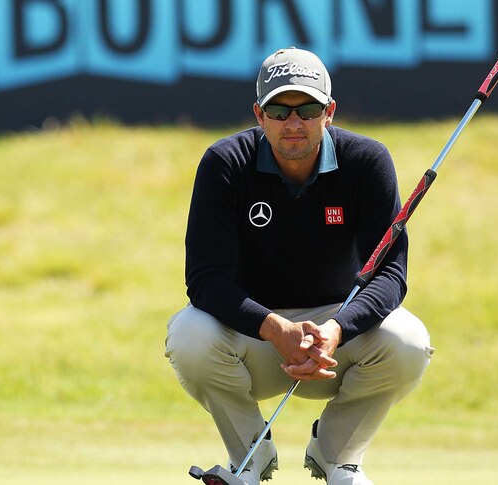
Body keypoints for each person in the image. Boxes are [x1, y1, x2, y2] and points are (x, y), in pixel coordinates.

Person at [165, 47, 434, 485]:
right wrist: (276, 329)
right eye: (280, 110)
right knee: (189, 334)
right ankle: (249, 458)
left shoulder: (366, 161)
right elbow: (204, 280)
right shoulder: (225, 163)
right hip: (254, 340)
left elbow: (391, 277)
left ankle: (337, 455)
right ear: (259, 114)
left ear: (329, 111)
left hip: (335, 342)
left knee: (407, 341)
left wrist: (336, 330)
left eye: (307, 109)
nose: (294, 123)